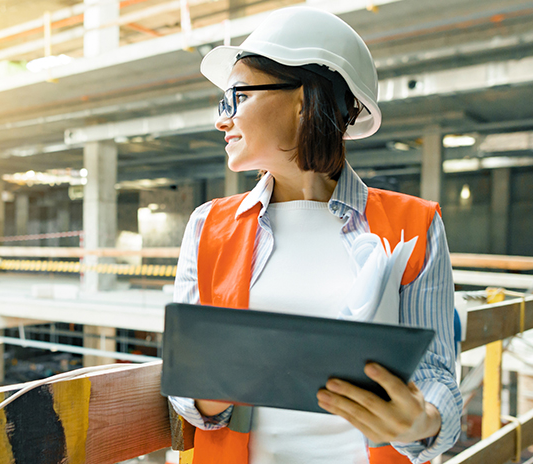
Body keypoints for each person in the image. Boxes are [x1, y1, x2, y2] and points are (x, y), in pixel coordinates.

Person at [168, 6, 462, 464]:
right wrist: (211, 387)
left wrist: (423, 422)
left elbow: (437, 376)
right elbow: (189, 395)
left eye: (236, 98)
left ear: (303, 99)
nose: (221, 120)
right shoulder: (208, 226)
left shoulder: (416, 224)